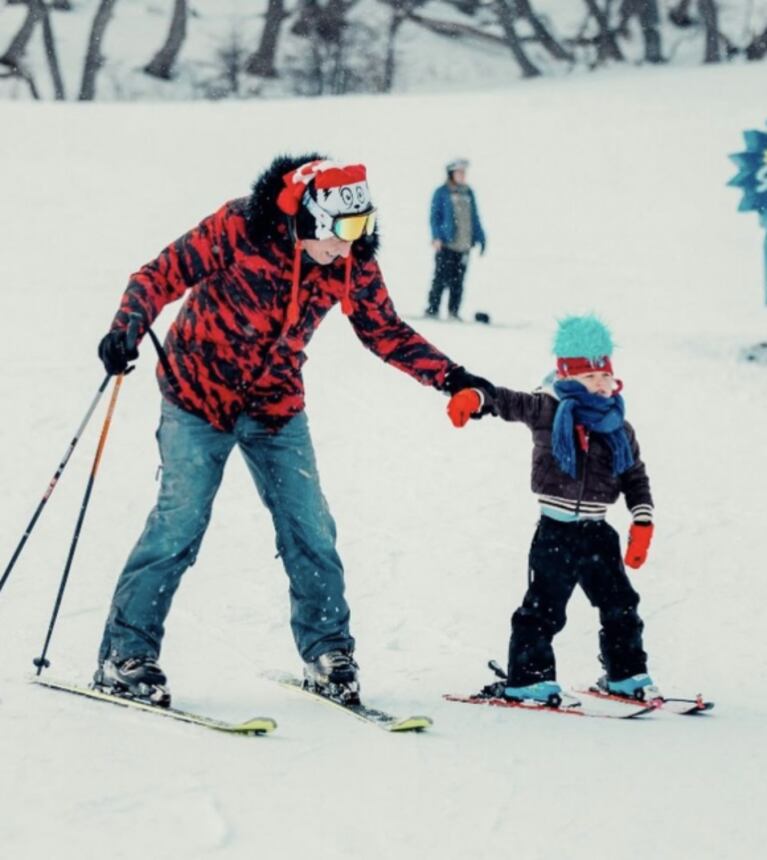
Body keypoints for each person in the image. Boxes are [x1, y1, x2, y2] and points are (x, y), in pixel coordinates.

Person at [93, 153, 494, 708]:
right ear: (307, 217)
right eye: (340, 231)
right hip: (196, 397)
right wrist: (126, 330)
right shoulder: (238, 227)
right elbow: (158, 276)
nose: (348, 245)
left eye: (361, 230)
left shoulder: (349, 261)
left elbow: (384, 330)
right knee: (177, 526)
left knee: (311, 530)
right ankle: (125, 654)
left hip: (275, 407)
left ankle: (327, 650)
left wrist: (451, 377)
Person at [446, 314, 658, 707]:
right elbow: (506, 401)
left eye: (604, 377)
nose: (600, 385)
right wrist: (475, 397)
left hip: (598, 532)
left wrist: (642, 520)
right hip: (555, 532)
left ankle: (626, 675)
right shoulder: (547, 409)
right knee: (543, 609)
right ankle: (529, 679)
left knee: (620, 604)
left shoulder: (619, 428)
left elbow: (635, 476)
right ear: (567, 379)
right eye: (589, 378)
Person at [425, 158, 486, 321]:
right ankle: (432, 309)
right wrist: (436, 236)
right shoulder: (442, 192)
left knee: (458, 281)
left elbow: (475, 217)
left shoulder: (468, 192)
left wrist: (481, 238)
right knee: (441, 278)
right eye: (459, 172)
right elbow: (434, 217)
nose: (462, 175)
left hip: (464, 245)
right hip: (446, 244)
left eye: (464, 172)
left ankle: (454, 311)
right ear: (451, 173)